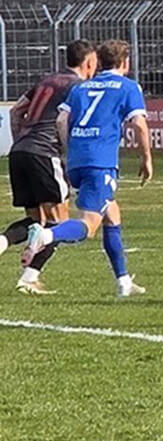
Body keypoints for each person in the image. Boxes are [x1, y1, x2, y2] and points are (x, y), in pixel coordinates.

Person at [20, 39, 154, 297]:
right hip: (99, 162)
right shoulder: (128, 86)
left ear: (100, 62)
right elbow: (139, 124)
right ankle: (44, 237)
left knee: (112, 213)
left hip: (77, 161)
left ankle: (124, 282)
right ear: (125, 63)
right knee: (88, 226)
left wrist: (71, 148)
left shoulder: (82, 87)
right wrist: (146, 158)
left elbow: (61, 120)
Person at [6, 40, 99, 295]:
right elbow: (62, 122)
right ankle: (29, 277)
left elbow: (16, 112)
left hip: (20, 152)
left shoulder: (47, 81)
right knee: (58, 224)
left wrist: (22, 143)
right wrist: (69, 155)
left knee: (36, 221)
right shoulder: (79, 87)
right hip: (46, 153)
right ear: (88, 62)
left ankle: (3, 241)